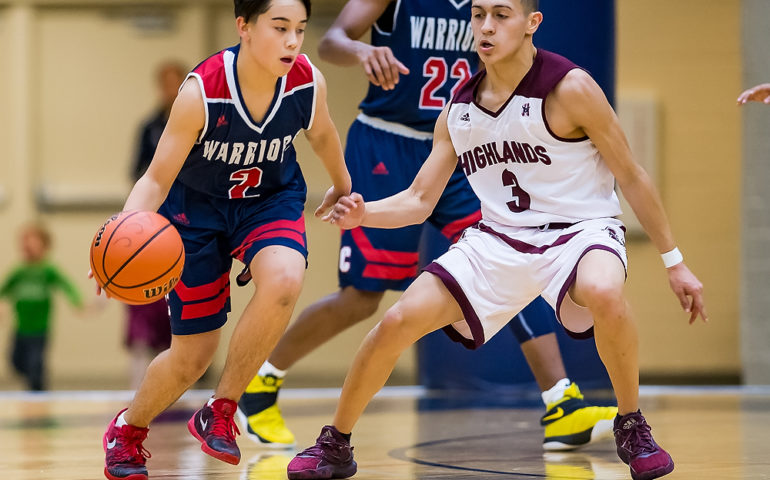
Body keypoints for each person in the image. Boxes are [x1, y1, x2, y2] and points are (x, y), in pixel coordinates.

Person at [288, 1, 707, 480]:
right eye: (479, 14)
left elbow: (630, 175)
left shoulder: (571, 88)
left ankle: (630, 423)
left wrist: (675, 261)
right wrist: (364, 213)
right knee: (397, 319)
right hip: (499, 239)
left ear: (532, 23)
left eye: (501, 15)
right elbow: (420, 200)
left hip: (582, 231)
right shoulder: (460, 107)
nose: (486, 26)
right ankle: (336, 444)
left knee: (604, 291)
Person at [238, 0, 616, 454]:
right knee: (361, 299)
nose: (487, 23)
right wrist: (362, 53)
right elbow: (331, 40)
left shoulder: (488, 6)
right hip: (387, 143)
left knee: (506, 259)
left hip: (461, 142)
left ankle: (562, 404)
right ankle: (262, 383)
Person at [96, 1, 351, 479]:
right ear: (245, 28)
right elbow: (154, 180)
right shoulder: (202, 92)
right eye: (280, 28)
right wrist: (122, 237)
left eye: (299, 29)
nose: (293, 41)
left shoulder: (305, 82)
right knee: (190, 358)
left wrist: (342, 183)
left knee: (285, 279)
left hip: (267, 202)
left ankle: (223, 408)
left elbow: (323, 134)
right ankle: (127, 430)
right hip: (195, 217)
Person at [125, 61, 187, 389]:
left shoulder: (201, 122)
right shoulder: (148, 127)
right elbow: (137, 173)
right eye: (165, 83)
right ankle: (140, 381)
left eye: (175, 83)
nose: (170, 90)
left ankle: (179, 376)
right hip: (153, 221)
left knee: (178, 301)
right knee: (141, 299)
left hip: (188, 220)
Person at [1, 224, 84, 391]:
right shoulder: (19, 271)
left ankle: (38, 393)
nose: (28, 246)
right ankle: (34, 379)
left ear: (44, 246)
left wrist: (76, 302)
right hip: (20, 328)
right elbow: (4, 289)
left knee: (35, 364)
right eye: (25, 242)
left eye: (33, 242)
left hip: (40, 329)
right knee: (15, 361)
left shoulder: (48, 271)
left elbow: (66, 285)